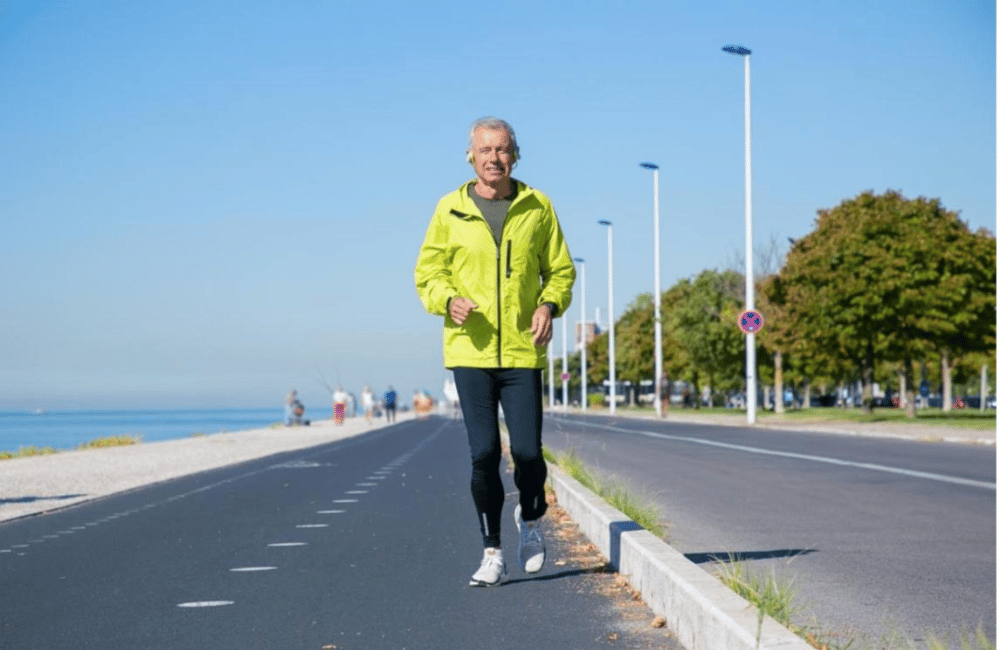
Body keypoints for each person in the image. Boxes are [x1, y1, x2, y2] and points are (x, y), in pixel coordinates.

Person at [414, 116, 575, 587]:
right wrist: (447, 299)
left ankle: (530, 520)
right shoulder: (449, 209)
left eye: (502, 150)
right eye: (485, 150)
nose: (494, 159)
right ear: (471, 155)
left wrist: (549, 304)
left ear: (515, 154)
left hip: (523, 353)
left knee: (526, 453)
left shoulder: (537, 206)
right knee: (483, 453)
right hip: (470, 351)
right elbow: (428, 272)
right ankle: (492, 551)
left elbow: (561, 270)